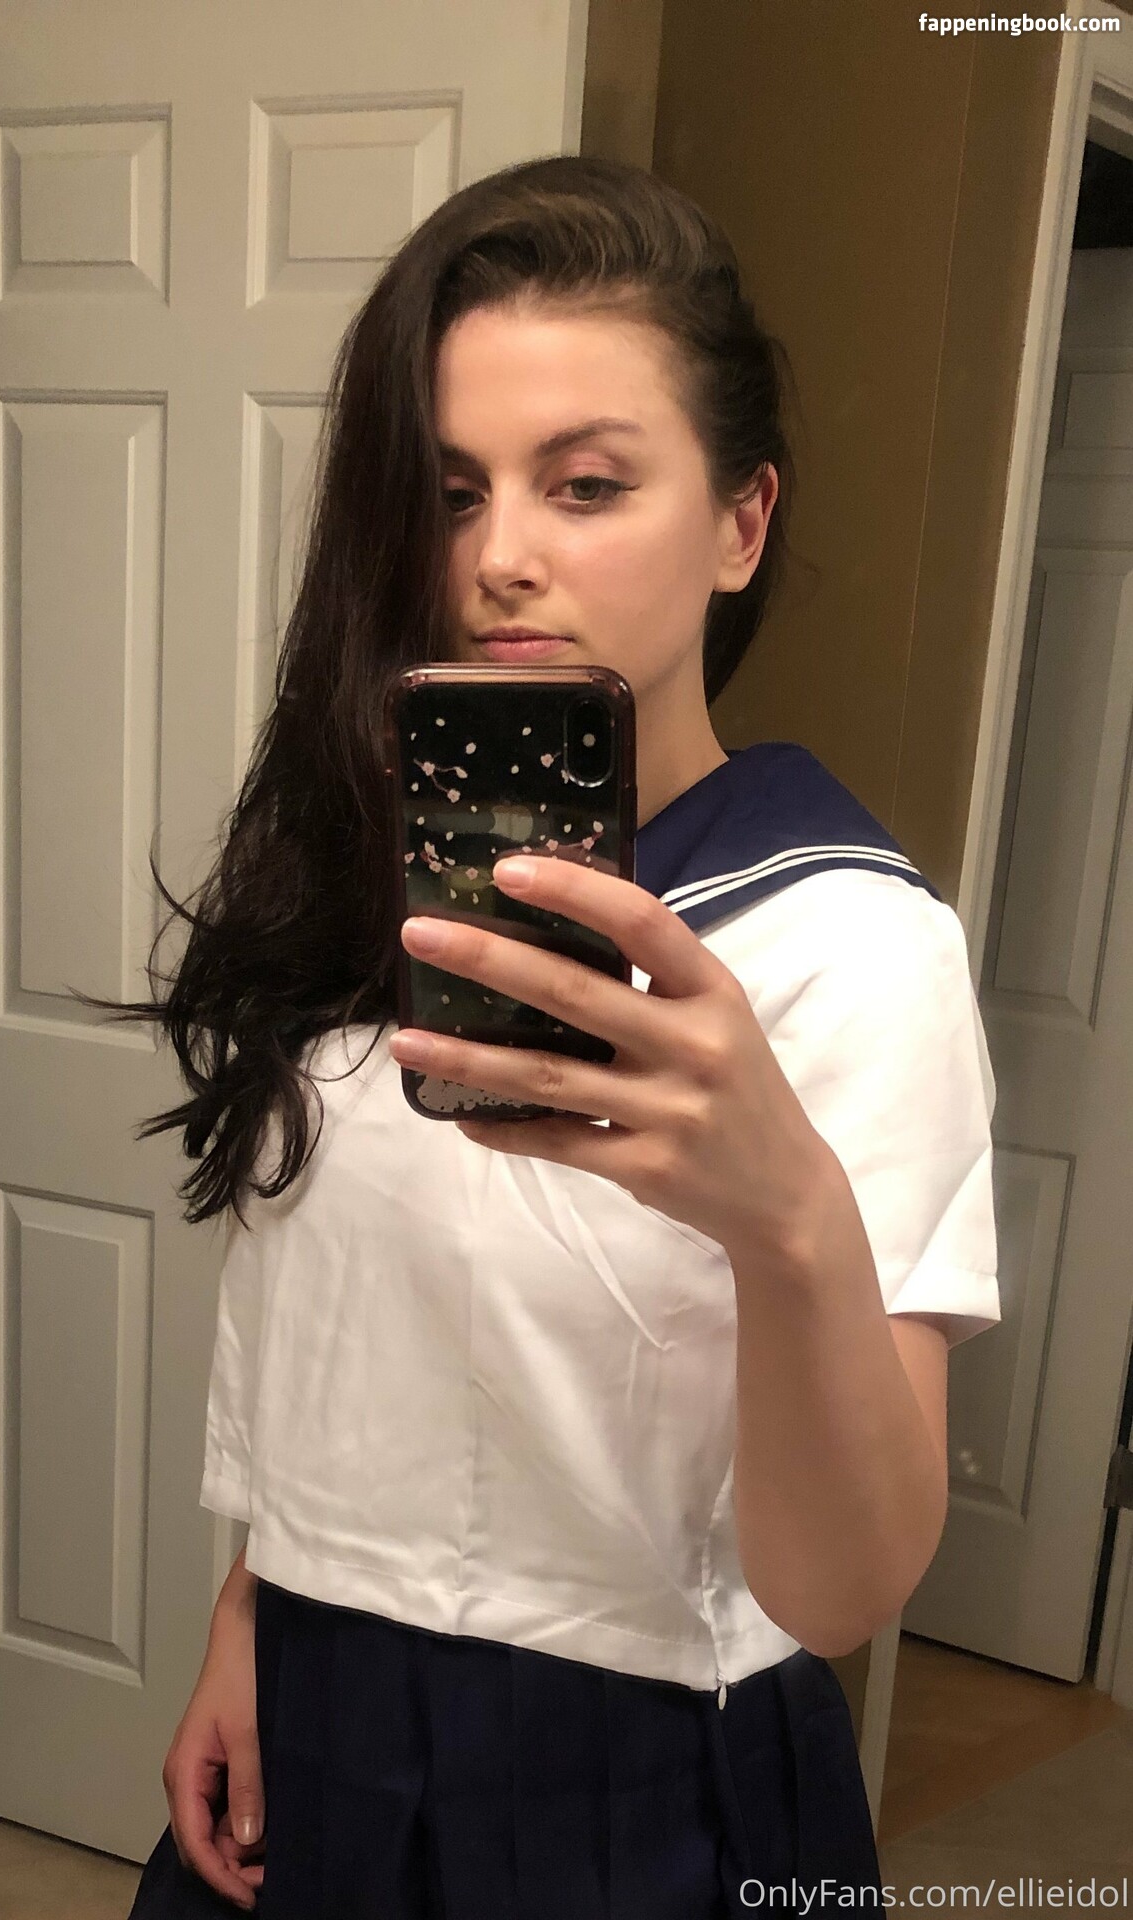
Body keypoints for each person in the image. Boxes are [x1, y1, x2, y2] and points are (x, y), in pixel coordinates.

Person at [115, 154, 1002, 1917]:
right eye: (450, 493)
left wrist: (787, 1218)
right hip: (321, 1698)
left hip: (636, 1777)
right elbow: (341, 1327)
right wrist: (255, 1607)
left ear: (739, 523)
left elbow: (841, 1595)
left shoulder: (844, 943)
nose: (500, 557)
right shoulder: (364, 875)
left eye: (585, 484)